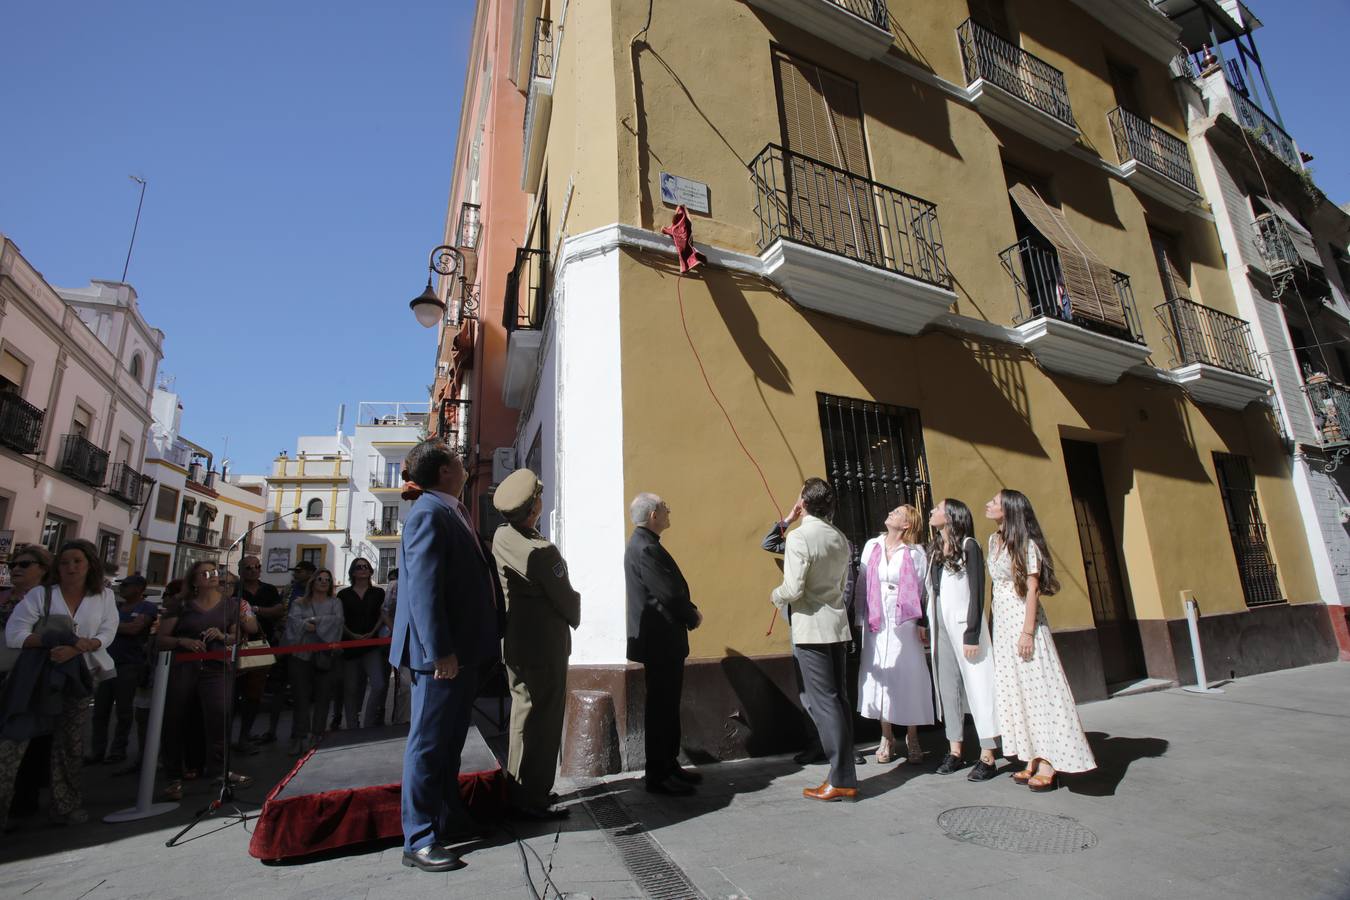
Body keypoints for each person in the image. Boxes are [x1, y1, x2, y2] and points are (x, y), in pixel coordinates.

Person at [391, 439, 500, 873]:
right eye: (457, 461)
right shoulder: (428, 514)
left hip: (463, 652)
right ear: (443, 473)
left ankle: (447, 818)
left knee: (451, 742)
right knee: (428, 745)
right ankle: (417, 838)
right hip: (440, 656)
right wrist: (439, 651)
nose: (464, 465)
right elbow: (423, 591)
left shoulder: (451, 510)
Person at [1, 539, 119, 826]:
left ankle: (66, 804)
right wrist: (53, 641)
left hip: (79, 676)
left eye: (77, 561)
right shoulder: (41, 594)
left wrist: (79, 647)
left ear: (89, 564)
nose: (70, 567)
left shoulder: (103, 597)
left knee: (70, 742)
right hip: (37, 677)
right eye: (65, 561)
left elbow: (108, 631)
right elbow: (15, 634)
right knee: (14, 740)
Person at [986, 489, 1096, 791]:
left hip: (1024, 622)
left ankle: (1050, 760)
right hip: (1003, 624)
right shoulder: (993, 541)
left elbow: (1032, 590)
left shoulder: (1026, 544)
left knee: (1040, 691)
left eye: (995, 502)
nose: (989, 504)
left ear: (1009, 509)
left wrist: (1027, 631)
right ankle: (1032, 755)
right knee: (1017, 691)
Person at [491, 469, 580, 820]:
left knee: (521, 715)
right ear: (534, 507)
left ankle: (517, 788)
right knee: (543, 721)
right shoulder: (542, 552)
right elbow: (567, 601)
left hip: (516, 643)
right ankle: (534, 796)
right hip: (545, 646)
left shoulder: (502, 537)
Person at [770, 478, 857, 802]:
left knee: (824, 703)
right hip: (836, 625)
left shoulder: (799, 537)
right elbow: (843, 583)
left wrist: (775, 596)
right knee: (839, 700)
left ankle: (841, 777)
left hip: (811, 627)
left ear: (803, 503)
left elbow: (792, 589)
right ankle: (844, 773)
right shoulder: (840, 538)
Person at [157, 561, 255, 800]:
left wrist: (224, 636)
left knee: (220, 717)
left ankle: (220, 771)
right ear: (193, 580)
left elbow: (237, 635)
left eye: (215, 572)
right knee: (176, 718)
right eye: (205, 573)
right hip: (184, 667)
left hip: (217, 668)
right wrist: (183, 642)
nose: (212, 576)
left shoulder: (230, 605)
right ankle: (173, 776)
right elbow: (161, 639)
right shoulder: (181, 605)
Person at [626, 492, 703, 797]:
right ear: (653, 515)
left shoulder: (646, 544)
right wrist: (691, 614)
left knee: (667, 707)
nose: (669, 510)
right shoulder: (645, 548)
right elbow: (667, 593)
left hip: (662, 643)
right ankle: (658, 773)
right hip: (660, 643)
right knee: (661, 709)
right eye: (664, 508)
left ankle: (668, 765)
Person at [855, 504, 934, 765]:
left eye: (898, 512)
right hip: (876, 617)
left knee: (907, 673)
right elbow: (862, 583)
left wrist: (922, 623)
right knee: (881, 674)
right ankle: (886, 736)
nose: (890, 512)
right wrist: (859, 618)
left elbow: (923, 590)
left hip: (905, 620)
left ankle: (912, 735)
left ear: (907, 524)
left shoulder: (916, 553)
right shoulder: (872, 546)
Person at [926, 499, 999, 781]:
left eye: (938, 508)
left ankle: (988, 753)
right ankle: (955, 749)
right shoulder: (935, 550)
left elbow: (977, 591)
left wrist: (972, 632)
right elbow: (932, 591)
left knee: (979, 685)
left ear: (952, 516)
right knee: (949, 686)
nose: (932, 511)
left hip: (965, 627)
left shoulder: (969, 545)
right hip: (941, 625)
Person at [0, 545, 53, 816]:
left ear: (42, 569)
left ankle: (22, 801)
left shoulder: (49, 601)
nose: (16, 569)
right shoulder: (4, 597)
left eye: (24, 564)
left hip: (28, 676)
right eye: (13, 565)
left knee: (25, 740)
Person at [88, 575, 156, 764]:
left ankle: (118, 750)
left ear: (138, 588)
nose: (122, 588)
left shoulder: (146, 607)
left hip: (130, 664)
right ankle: (97, 751)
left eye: (126, 585)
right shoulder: (116, 607)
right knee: (100, 711)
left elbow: (135, 629)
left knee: (124, 711)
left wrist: (108, 627)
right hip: (107, 663)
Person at [282, 568, 344, 755]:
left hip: (325, 656)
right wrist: (311, 624)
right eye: (320, 579)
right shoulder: (299, 602)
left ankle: (317, 735)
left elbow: (337, 622)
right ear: (313, 582)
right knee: (301, 697)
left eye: (327, 579)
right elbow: (294, 622)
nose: (324, 582)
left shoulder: (336, 602)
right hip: (301, 656)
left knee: (323, 697)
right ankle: (299, 736)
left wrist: (314, 621)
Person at [236, 555, 285, 745]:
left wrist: (253, 609)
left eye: (256, 566)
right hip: (237, 645)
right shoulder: (234, 590)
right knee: (234, 694)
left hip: (262, 645)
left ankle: (244, 735)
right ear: (241, 570)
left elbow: (279, 610)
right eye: (248, 568)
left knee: (254, 693)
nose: (253, 570)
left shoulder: (269, 589)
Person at [339, 557, 387, 730]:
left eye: (366, 566)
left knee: (379, 684)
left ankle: (368, 723)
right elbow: (340, 619)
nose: (363, 569)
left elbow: (383, 615)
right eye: (359, 567)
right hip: (350, 647)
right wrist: (352, 635)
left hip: (371, 645)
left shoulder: (378, 593)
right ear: (353, 571)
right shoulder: (343, 594)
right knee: (351, 688)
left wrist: (372, 633)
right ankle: (352, 724)